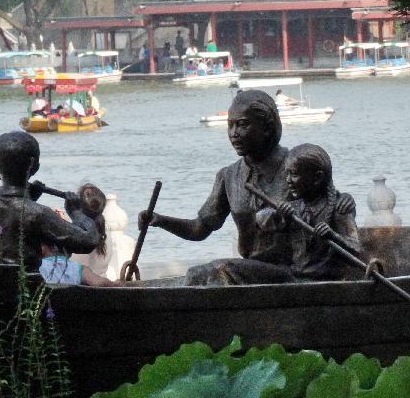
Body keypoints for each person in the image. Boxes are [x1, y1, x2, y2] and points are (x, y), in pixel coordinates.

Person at [139, 89, 353, 286]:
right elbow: (200, 228)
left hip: (295, 273)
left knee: (214, 272)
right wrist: (160, 220)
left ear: (267, 127)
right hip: (252, 273)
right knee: (198, 275)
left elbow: (330, 202)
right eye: (230, 125)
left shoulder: (297, 168)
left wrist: (345, 202)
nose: (234, 133)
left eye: (242, 124)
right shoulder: (229, 176)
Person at [0, 132, 101, 272]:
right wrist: (76, 212)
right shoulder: (39, 214)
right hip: (26, 289)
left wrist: (29, 197)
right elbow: (89, 240)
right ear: (35, 167)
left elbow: (8, 221)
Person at [256, 144, 360, 281]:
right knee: (230, 268)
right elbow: (261, 219)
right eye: (286, 174)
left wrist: (333, 236)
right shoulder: (294, 207)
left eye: (293, 174)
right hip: (295, 276)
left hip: (326, 282)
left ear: (317, 178)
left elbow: (355, 250)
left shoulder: (339, 206)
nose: (288, 180)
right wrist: (276, 214)